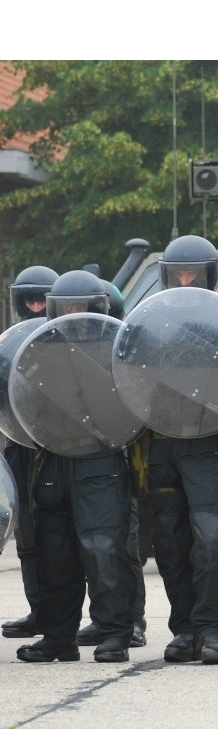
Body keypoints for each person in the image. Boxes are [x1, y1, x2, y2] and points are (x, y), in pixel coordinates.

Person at [16, 270, 136, 663]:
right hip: (52, 457)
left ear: (97, 308)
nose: (73, 315)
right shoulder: (38, 350)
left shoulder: (118, 349)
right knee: (54, 553)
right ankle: (58, 637)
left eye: (80, 308)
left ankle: (115, 632)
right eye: (65, 308)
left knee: (103, 549)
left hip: (100, 460)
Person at [147, 235, 218, 665]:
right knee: (169, 541)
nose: (185, 282)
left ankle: (213, 628)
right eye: (177, 275)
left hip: (208, 442)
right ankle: (184, 628)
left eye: (193, 275)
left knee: (213, 539)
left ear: (210, 276)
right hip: (162, 444)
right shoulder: (149, 322)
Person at [75, 278, 148, 649]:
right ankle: (104, 618)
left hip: (123, 459)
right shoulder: (75, 348)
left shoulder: (126, 349)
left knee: (125, 546)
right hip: (93, 455)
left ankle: (133, 619)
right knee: (94, 544)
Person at [1, 265, 57, 641]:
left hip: (59, 447)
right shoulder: (6, 345)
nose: (36, 306)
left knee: (82, 537)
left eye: (43, 299)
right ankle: (39, 611)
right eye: (30, 299)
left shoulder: (68, 342)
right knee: (27, 535)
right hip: (18, 445)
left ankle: (120, 621)